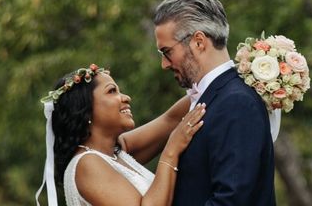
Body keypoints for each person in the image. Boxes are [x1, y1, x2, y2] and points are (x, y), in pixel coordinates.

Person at [153, 0, 276, 206]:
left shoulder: (236, 103)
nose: (164, 64)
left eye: (167, 52)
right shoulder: (216, 98)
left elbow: (231, 201)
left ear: (199, 42)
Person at [36, 64, 206, 206]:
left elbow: (170, 120)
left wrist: (219, 76)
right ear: (85, 110)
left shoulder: (115, 152)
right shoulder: (86, 164)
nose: (126, 97)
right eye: (111, 91)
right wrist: (171, 151)